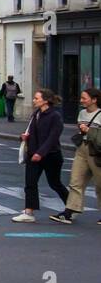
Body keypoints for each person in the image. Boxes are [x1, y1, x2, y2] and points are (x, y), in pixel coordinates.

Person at [14, 89, 72, 223]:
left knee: (55, 183)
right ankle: (29, 212)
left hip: (51, 155)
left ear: (45, 101)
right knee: (30, 183)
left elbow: (53, 137)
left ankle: (72, 207)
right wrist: (23, 137)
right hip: (33, 154)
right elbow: (32, 133)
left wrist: (41, 153)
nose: (34, 100)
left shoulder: (55, 116)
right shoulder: (36, 114)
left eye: (36, 98)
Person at [51, 87, 101, 225]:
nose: (81, 100)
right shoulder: (82, 113)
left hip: (97, 151)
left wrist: (89, 130)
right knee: (75, 181)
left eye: (84, 98)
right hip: (82, 149)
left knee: (100, 184)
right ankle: (70, 212)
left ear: (94, 100)